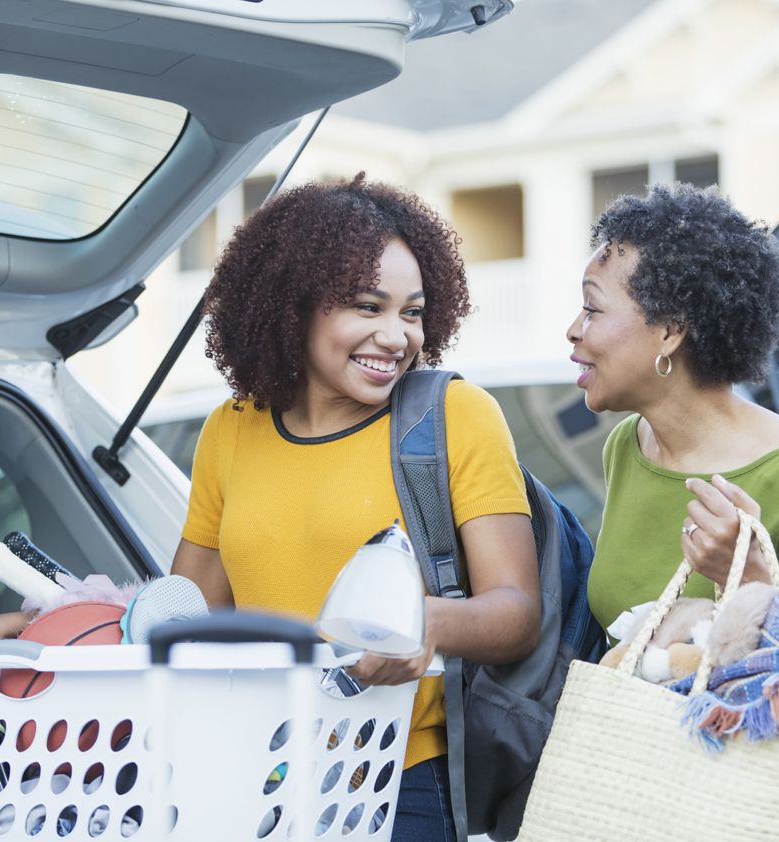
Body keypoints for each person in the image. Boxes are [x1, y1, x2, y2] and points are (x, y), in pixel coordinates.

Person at [171, 174, 540, 842]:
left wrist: (420, 623)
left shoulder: (456, 415)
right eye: (368, 307)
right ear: (294, 308)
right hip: (251, 778)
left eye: (412, 311)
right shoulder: (231, 429)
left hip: (398, 784)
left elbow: (516, 614)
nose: (396, 336)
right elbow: (190, 616)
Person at [568, 183, 779, 842]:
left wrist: (747, 589)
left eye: (592, 310)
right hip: (663, 805)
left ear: (671, 332)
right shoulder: (629, 447)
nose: (574, 331)